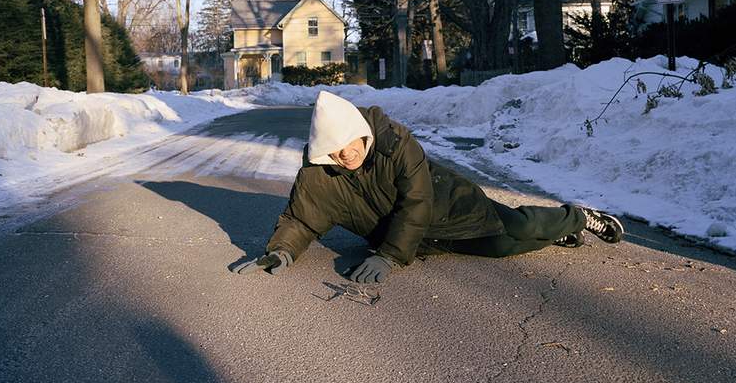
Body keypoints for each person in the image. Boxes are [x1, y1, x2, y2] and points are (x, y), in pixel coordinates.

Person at [235, 90, 624, 284]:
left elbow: (417, 202)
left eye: (348, 146)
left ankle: (576, 217)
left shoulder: (397, 145)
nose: (344, 157)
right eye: (333, 152)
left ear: (360, 133)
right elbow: (303, 219)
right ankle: (557, 233)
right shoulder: (319, 173)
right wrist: (281, 252)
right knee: (505, 248)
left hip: (451, 208)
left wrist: (388, 256)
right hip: (422, 241)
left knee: (520, 228)